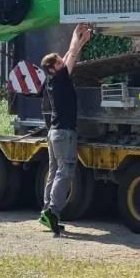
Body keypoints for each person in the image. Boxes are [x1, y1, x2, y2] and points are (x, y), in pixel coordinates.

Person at [38, 23, 93, 236]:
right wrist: (77, 39)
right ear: (52, 68)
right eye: (58, 62)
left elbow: (69, 56)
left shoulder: (54, 80)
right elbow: (70, 55)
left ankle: (46, 211)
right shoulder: (59, 79)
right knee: (65, 171)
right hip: (63, 133)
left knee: (53, 172)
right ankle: (53, 211)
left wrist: (79, 39)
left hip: (54, 133)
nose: (63, 62)